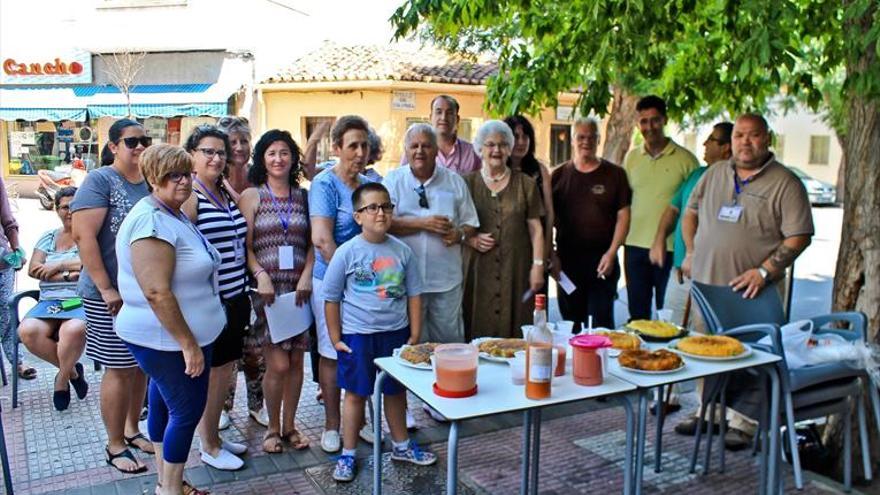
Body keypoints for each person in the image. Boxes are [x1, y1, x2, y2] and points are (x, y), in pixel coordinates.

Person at [680, 113, 813, 449]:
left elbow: (799, 236)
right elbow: (691, 212)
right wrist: (692, 252)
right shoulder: (713, 174)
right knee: (704, 350)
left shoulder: (785, 182)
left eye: (753, 136)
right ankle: (707, 412)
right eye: (739, 135)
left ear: (767, 139)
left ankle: (745, 423)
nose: (745, 142)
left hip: (753, 291)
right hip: (707, 286)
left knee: (752, 354)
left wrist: (766, 271)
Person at [115, 143, 224, 495]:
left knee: (165, 405)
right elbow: (156, 293)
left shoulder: (169, 212)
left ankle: (167, 480)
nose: (183, 181)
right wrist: (188, 344)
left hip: (172, 338)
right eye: (173, 175)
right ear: (153, 178)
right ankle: (171, 490)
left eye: (187, 174)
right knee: (187, 412)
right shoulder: (151, 222)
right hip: (167, 341)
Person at [323, 182, 436, 482]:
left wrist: (415, 332)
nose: (380, 213)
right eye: (372, 207)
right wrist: (336, 339)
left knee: (395, 392)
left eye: (386, 206)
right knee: (356, 395)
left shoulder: (402, 252)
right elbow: (331, 298)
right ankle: (347, 454)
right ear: (357, 216)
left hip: (395, 335)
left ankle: (401, 445)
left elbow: (414, 294)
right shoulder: (347, 252)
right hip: (358, 336)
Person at [71, 118, 153, 473]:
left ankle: (133, 430)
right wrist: (106, 287)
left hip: (143, 292)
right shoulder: (100, 180)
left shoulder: (150, 180)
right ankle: (115, 443)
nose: (138, 147)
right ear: (114, 146)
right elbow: (83, 237)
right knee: (119, 368)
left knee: (140, 367)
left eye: (143, 140)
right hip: (110, 294)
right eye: (131, 141)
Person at [240, 129, 314, 454]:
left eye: (284, 152)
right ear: (263, 159)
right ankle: (271, 428)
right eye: (271, 153)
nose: (278, 159)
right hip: (267, 292)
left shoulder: (304, 196)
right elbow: (243, 247)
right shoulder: (252, 196)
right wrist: (260, 275)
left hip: (299, 291)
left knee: (296, 362)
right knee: (278, 365)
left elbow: (313, 244)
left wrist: (308, 276)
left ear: (292, 157)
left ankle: (290, 425)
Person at [181, 126, 250, 470]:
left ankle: (216, 438)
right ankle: (208, 444)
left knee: (224, 372)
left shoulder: (223, 191)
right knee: (213, 375)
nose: (216, 157)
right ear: (192, 155)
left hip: (235, 297)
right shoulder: (192, 196)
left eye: (221, 152)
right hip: (212, 302)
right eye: (207, 151)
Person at [309, 116, 370, 453]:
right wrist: (349, 280)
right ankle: (332, 426)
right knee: (332, 353)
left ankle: (357, 423)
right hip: (331, 284)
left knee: (362, 351)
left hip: (363, 284)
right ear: (336, 149)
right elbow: (322, 239)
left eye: (364, 145)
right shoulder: (325, 184)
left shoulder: (369, 183)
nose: (360, 152)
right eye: (352, 146)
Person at [462, 120, 545, 339]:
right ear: (480, 149)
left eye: (502, 144)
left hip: (515, 269)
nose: (496, 150)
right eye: (490, 144)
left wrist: (538, 266)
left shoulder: (526, 184)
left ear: (509, 148)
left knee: (517, 329)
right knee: (477, 327)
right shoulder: (466, 183)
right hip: (478, 270)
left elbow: (536, 229)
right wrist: (471, 240)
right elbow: (454, 228)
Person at [550, 118, 632, 330]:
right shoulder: (558, 176)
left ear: (598, 140)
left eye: (591, 137)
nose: (586, 142)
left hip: (602, 262)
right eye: (581, 137)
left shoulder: (615, 175)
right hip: (567, 263)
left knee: (601, 325)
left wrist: (612, 253)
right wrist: (552, 257)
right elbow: (546, 219)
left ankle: (601, 363)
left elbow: (623, 216)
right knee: (571, 323)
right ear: (572, 140)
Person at [650, 122, 734, 326]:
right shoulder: (697, 174)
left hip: (707, 277)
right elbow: (674, 209)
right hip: (679, 274)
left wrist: (693, 253)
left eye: (711, 139)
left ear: (726, 147)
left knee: (700, 340)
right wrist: (659, 239)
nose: (705, 143)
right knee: (668, 331)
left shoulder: (732, 179)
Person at [622, 95, 698, 320]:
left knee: (669, 316)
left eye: (655, 120)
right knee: (637, 315)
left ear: (664, 120)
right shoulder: (632, 158)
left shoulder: (686, 161)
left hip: (671, 249)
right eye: (643, 121)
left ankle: (666, 356)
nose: (649, 127)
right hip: (634, 246)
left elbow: (694, 208)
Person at [216, 115, 267, 429]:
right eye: (231, 142)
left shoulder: (260, 178)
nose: (238, 147)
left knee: (256, 346)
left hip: (259, 271)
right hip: (225, 277)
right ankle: (223, 405)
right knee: (228, 347)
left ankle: (257, 404)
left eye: (243, 141)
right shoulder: (211, 183)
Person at [18, 187, 88, 411]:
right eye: (65, 207)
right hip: (50, 302)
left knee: (71, 331)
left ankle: (61, 381)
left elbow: (89, 264)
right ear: (57, 209)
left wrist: (57, 266)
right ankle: (73, 372)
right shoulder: (48, 237)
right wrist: (71, 274)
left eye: (74, 206)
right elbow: (34, 269)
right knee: (27, 331)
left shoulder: (89, 235)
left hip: (78, 300)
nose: (70, 211)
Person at [504, 115, 554, 265]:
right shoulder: (497, 169)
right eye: (515, 136)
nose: (521, 142)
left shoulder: (539, 170)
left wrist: (547, 249)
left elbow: (549, 213)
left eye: (525, 137)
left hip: (536, 245)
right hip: (508, 247)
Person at [402, 96, 481, 174]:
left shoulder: (472, 153)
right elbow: (402, 181)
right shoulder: (415, 151)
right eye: (439, 112)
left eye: (449, 113)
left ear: (457, 119)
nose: (443, 118)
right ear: (430, 118)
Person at [0, 174, 28, 380]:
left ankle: (15, 361)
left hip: (2, 261)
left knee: (6, 313)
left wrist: (16, 248)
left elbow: (7, 219)